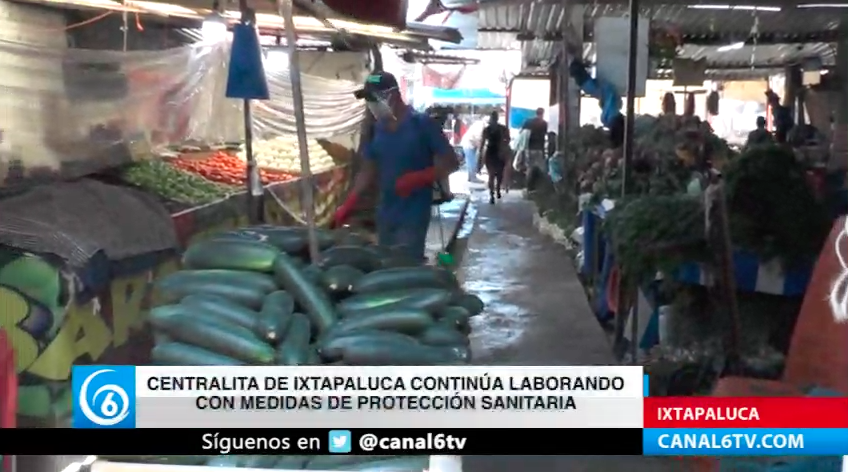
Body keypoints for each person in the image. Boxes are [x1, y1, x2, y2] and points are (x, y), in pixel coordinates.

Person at [335, 71, 459, 261]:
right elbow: (367, 170)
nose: (371, 105)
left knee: (406, 263)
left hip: (414, 212)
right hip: (385, 211)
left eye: (373, 98)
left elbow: (451, 162)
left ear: (391, 95)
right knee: (386, 263)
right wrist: (349, 203)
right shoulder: (376, 129)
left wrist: (418, 178)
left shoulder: (421, 124)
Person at [478, 111, 510, 204]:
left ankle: (492, 193)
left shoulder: (487, 130)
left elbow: (482, 143)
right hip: (499, 152)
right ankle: (496, 191)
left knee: (492, 175)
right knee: (498, 174)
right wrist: (503, 146)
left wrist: (480, 155)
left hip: (491, 152)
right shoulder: (503, 129)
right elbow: (508, 139)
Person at [460, 117, 486, 183]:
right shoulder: (480, 126)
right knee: (472, 161)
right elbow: (478, 138)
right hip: (468, 144)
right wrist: (481, 150)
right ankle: (473, 178)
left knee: (470, 161)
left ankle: (470, 177)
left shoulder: (480, 124)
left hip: (470, 143)